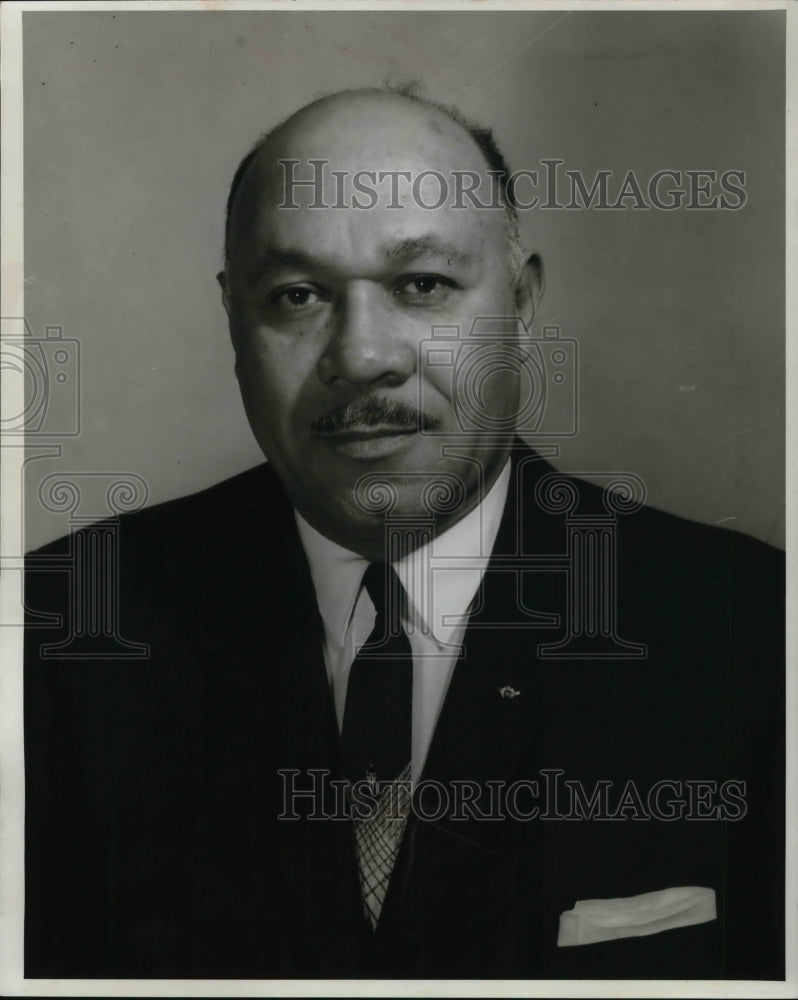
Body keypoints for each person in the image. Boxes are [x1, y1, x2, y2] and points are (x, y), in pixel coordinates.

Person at [24, 88, 784, 980]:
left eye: (422, 285)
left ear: (524, 306)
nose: (362, 354)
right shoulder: (57, 633)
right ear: (233, 319)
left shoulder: (753, 632)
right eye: (297, 294)